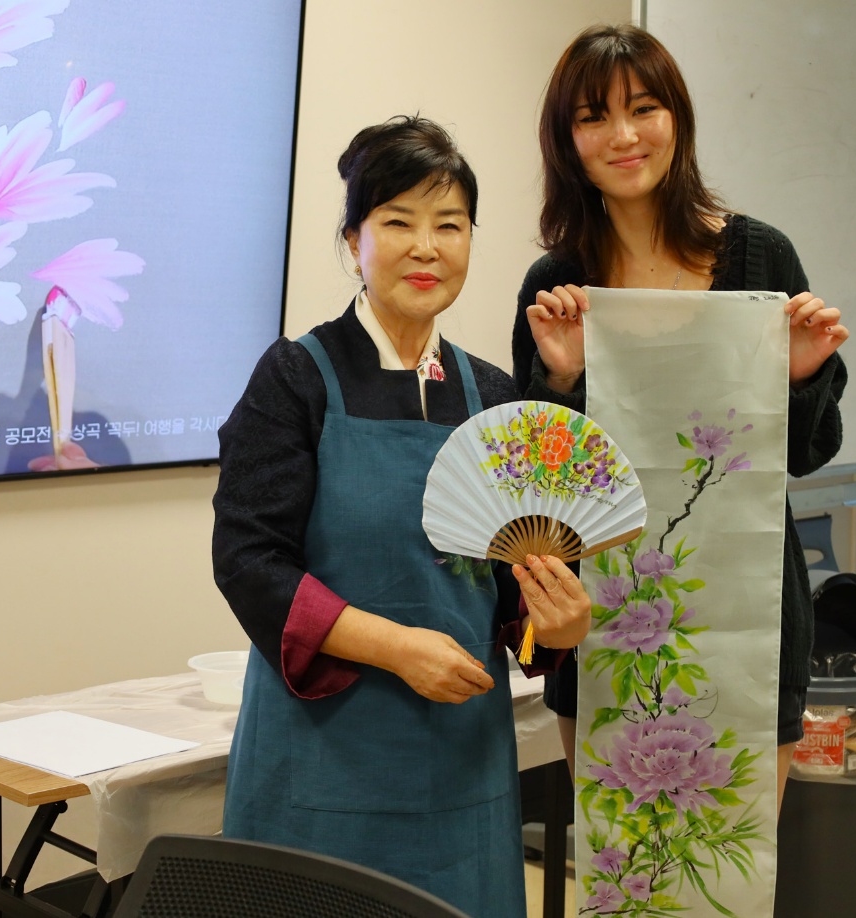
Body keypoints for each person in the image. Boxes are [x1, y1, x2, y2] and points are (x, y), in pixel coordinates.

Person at [212, 115, 592, 918]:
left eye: (450, 225)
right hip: (321, 764)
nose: (427, 247)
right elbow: (250, 562)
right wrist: (395, 648)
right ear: (354, 239)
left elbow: (518, 608)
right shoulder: (296, 378)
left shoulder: (493, 396)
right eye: (398, 222)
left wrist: (553, 631)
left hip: (460, 773)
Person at [510, 24, 850, 818]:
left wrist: (802, 376)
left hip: (747, 613)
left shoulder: (761, 259)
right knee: (619, 859)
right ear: (567, 141)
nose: (623, 135)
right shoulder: (557, 283)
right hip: (601, 616)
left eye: (644, 108)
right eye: (594, 116)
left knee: (732, 865)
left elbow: (807, 454)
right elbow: (537, 487)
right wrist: (560, 379)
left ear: (678, 119)